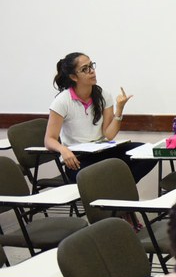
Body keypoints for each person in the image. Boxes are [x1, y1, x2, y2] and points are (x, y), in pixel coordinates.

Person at [45, 52, 156, 183]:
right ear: (73, 77)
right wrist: (63, 150)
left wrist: (119, 109)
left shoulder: (103, 95)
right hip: (78, 159)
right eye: (85, 69)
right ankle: (118, 189)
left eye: (91, 66)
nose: (92, 71)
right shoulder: (62, 101)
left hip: (102, 152)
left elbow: (109, 135)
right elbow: (49, 140)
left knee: (150, 152)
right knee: (99, 176)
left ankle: (122, 187)